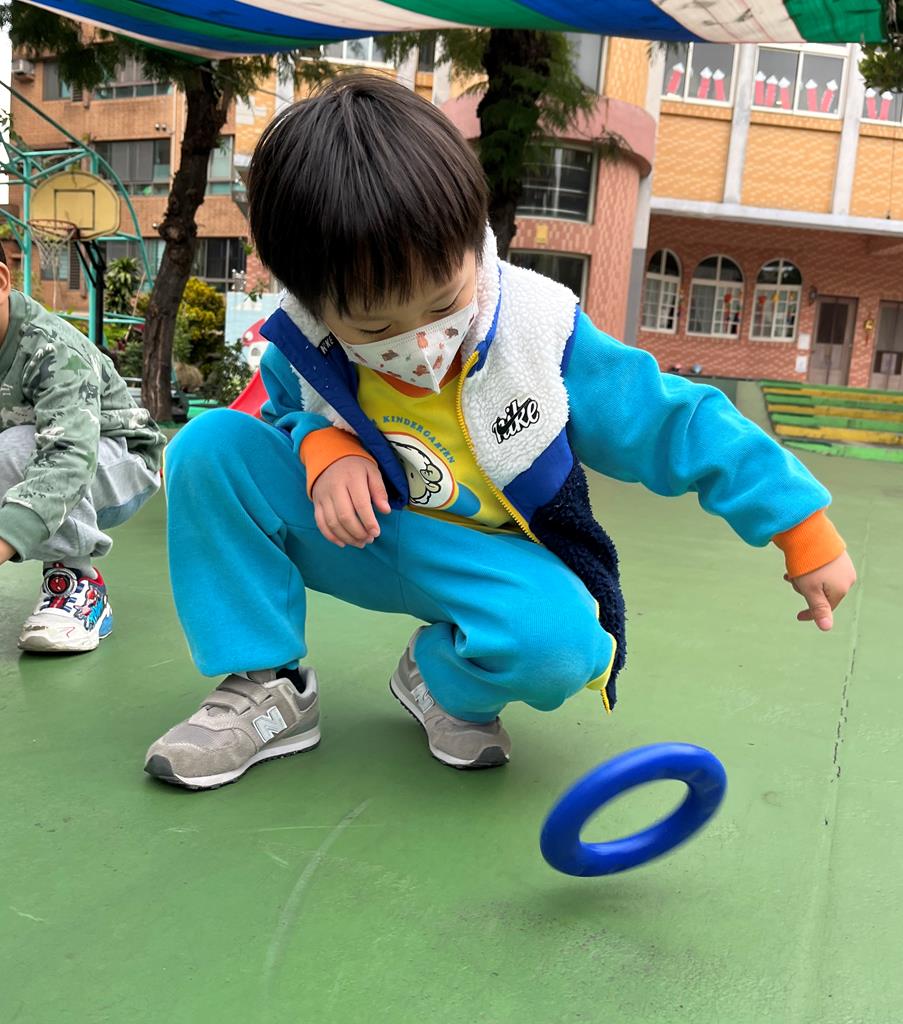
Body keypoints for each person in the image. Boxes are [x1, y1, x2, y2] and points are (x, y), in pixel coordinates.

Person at [146, 75, 856, 791]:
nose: (421, 343)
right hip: (360, 534)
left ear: (472, 240)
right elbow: (279, 417)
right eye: (376, 326)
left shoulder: (538, 333)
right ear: (313, 302)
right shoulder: (304, 340)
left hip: (486, 559)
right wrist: (322, 446)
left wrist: (800, 526)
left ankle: (440, 681)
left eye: (442, 302)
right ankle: (268, 683)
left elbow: (674, 420)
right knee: (208, 449)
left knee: (562, 647)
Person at [0, 241, 164, 652]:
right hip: (46, 458)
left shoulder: (51, 348)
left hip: (120, 461)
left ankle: (75, 583)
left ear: (1, 281)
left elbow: (68, 456)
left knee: (17, 449)